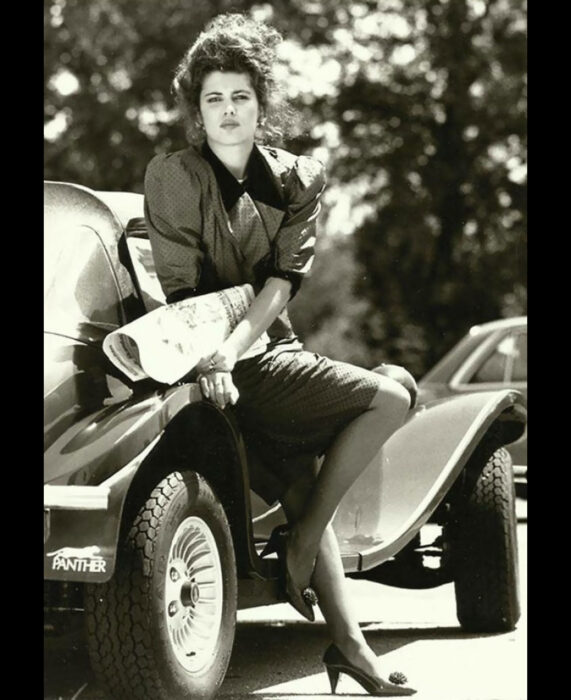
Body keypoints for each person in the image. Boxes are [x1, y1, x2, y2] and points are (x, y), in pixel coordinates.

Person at [144, 13, 417, 696]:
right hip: (197, 353)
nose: (227, 111)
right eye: (212, 98)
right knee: (364, 423)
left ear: (262, 106)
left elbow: (281, 283)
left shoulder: (297, 180)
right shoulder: (175, 176)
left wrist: (235, 352)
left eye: (240, 97)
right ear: (195, 111)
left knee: (387, 400)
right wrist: (217, 357)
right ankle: (337, 619)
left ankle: (317, 578)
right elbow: (181, 294)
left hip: (259, 354)